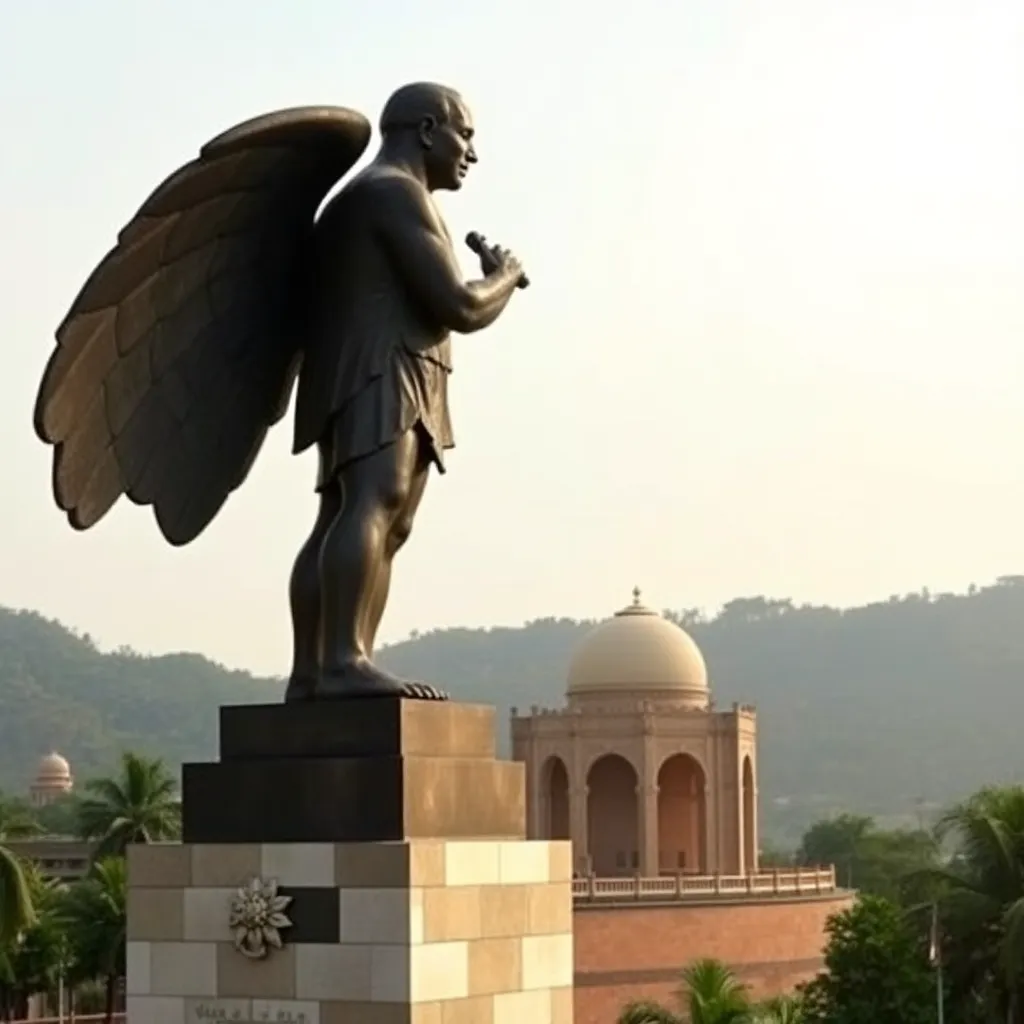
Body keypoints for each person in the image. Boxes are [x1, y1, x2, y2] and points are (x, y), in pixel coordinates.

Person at [285, 82, 527, 700]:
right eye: (464, 135)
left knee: (371, 515)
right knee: (375, 499)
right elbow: (459, 305)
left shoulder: (369, 198)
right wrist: (504, 276)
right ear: (426, 129)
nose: (470, 153)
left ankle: (318, 671)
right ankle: (343, 661)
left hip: (381, 366)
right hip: (381, 366)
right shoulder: (392, 193)